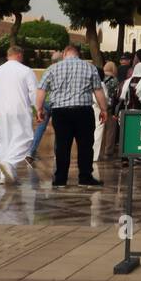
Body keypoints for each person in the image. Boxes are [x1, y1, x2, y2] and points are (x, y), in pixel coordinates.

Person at [35, 45, 109, 188]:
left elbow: (41, 90)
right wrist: (104, 109)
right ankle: (85, 177)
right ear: (78, 54)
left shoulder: (53, 69)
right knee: (85, 146)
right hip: (83, 111)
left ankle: (60, 179)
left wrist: (39, 109)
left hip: (60, 112)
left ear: (64, 54)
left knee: (62, 146)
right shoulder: (89, 68)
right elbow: (98, 90)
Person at [0, 45, 39, 184]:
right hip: (19, 111)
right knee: (25, 140)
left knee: (3, 142)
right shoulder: (26, 71)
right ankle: (9, 164)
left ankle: (6, 175)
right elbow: (34, 93)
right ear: (20, 55)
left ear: (7, 56)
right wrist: (39, 109)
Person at [29, 50, 63, 161]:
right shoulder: (62, 70)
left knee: (40, 128)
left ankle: (31, 152)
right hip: (57, 103)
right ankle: (57, 153)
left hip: (46, 102)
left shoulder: (48, 70)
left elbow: (41, 89)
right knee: (59, 128)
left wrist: (39, 107)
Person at [94, 60, 121, 162]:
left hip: (96, 106)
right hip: (108, 107)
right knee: (110, 130)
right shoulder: (114, 80)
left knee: (99, 130)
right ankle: (108, 150)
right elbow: (115, 96)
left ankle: (98, 151)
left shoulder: (99, 78)